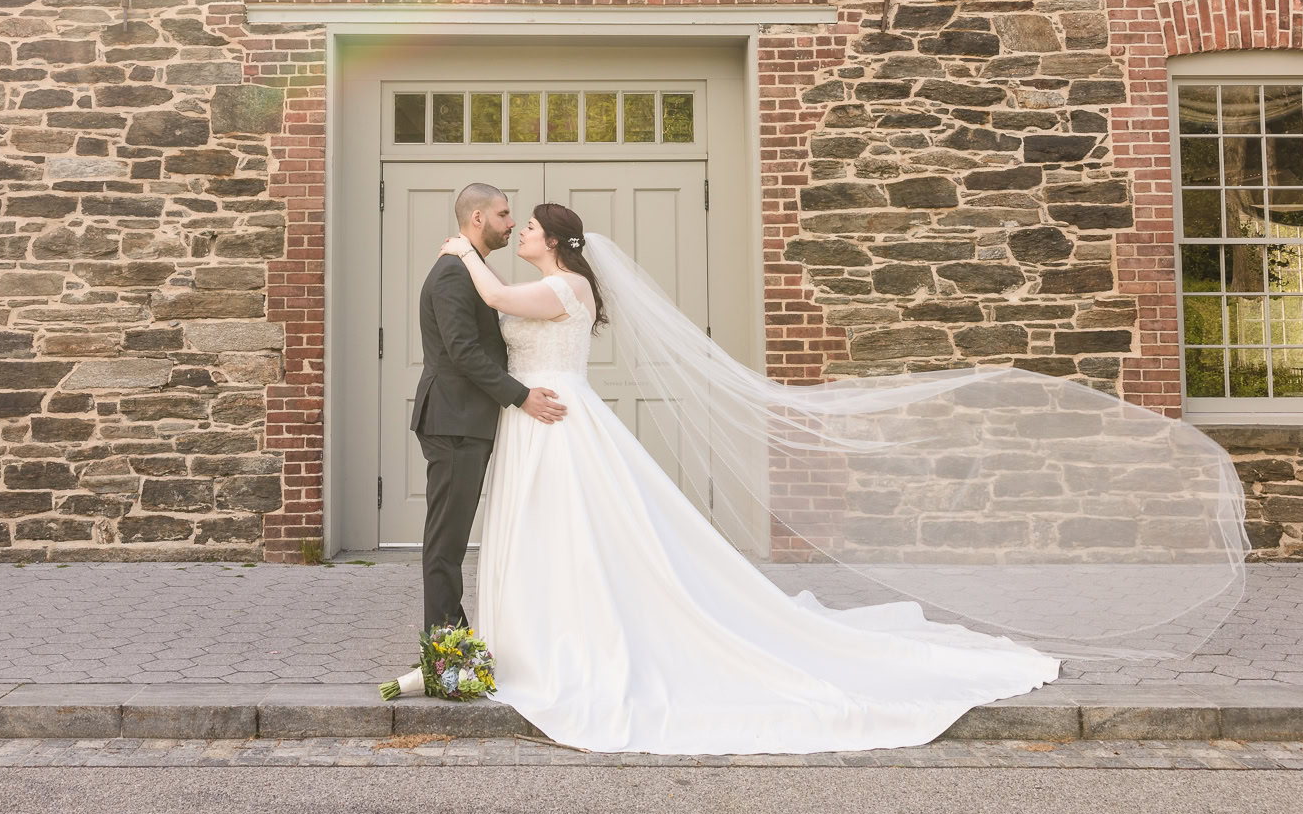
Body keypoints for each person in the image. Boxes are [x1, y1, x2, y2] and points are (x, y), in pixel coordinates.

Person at [437, 201, 1069, 754]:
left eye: (530, 229)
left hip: (557, 416)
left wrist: (463, 250)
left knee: (575, 527)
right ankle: (526, 637)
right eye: (511, 226)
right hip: (532, 415)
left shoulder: (568, 287)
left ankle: (572, 637)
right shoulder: (546, 282)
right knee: (540, 528)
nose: (519, 233)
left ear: (553, 238)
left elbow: (493, 299)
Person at [410, 182, 565, 634]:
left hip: (466, 420)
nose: (511, 222)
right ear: (477, 219)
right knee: (446, 541)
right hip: (453, 420)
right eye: (503, 214)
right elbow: (462, 351)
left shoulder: (469, 269)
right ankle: (446, 648)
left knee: (451, 539)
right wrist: (520, 395)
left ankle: (451, 638)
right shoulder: (452, 274)